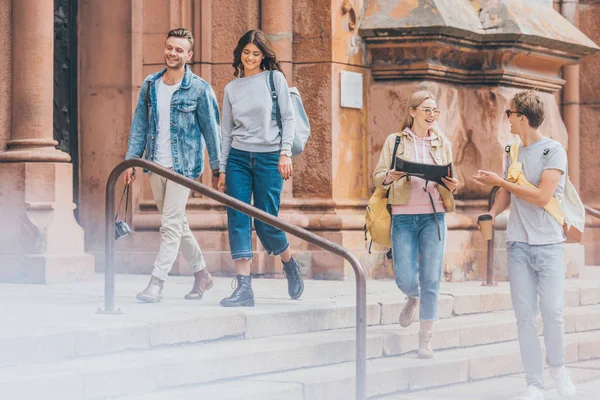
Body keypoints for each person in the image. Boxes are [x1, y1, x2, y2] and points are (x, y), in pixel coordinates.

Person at [473, 90, 576, 400]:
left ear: (522, 118)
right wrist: (491, 213)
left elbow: (542, 196)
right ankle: (534, 384)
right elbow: (509, 193)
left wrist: (500, 182)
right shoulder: (512, 150)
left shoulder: (553, 151)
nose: (507, 118)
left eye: (509, 113)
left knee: (552, 311)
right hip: (518, 244)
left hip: (548, 244)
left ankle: (558, 368)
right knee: (524, 316)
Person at [124, 28, 221, 303]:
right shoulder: (151, 85)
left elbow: (212, 131)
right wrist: (131, 161)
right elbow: (139, 126)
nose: (172, 53)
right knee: (178, 224)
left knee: (169, 226)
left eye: (179, 49)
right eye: (169, 47)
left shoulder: (199, 89)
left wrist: (217, 169)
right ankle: (202, 274)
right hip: (156, 165)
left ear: (189, 55)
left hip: (184, 168)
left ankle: (157, 283)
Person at [217, 30, 303, 307]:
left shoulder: (274, 79)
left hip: (269, 158)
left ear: (263, 55)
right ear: (239, 53)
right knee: (238, 220)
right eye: (246, 52)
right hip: (238, 159)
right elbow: (226, 133)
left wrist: (285, 153)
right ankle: (244, 287)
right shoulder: (232, 88)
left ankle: (289, 263)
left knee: (266, 220)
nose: (250, 57)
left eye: (256, 53)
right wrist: (222, 169)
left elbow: (289, 118)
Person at [372, 91, 458, 358]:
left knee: (431, 278)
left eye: (435, 111)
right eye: (426, 110)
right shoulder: (395, 141)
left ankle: (425, 339)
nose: (432, 116)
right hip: (403, 216)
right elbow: (377, 177)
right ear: (412, 112)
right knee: (404, 275)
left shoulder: (443, 142)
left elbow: (453, 179)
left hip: (434, 216)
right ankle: (412, 296)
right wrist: (390, 175)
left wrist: (453, 186)